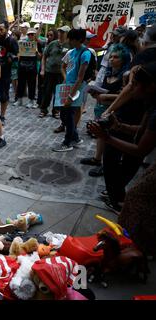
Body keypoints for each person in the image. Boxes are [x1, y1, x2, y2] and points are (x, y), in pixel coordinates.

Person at [87, 62, 156, 218]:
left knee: (136, 199)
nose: (131, 89)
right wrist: (119, 126)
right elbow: (141, 130)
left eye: (135, 84)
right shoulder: (150, 104)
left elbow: (140, 150)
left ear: (150, 87)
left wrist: (106, 137)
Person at [81, 44, 131, 177]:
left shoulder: (125, 76)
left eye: (116, 57)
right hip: (101, 109)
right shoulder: (108, 73)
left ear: (123, 59)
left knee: (110, 140)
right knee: (100, 135)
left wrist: (106, 96)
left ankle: (106, 166)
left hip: (114, 112)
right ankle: (97, 159)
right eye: (111, 57)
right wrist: (95, 94)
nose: (112, 59)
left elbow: (126, 96)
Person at [53, 28, 90, 152]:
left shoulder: (86, 53)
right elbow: (65, 68)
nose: (69, 41)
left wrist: (70, 96)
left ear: (79, 39)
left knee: (69, 115)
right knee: (64, 114)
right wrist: (65, 81)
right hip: (68, 86)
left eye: (72, 39)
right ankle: (76, 138)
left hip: (76, 89)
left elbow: (80, 78)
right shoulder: (72, 51)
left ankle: (67, 142)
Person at [39, 26, 71, 118]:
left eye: (63, 32)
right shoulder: (52, 44)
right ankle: (43, 109)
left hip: (61, 73)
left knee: (59, 92)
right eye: (60, 32)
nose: (60, 34)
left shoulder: (69, 45)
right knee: (47, 91)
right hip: (49, 71)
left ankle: (56, 110)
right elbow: (44, 56)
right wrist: (42, 69)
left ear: (67, 34)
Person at [0, 22, 18, 125]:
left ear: (7, 29)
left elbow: (17, 54)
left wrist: (10, 57)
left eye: (1, 29)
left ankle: (2, 116)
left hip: (5, 71)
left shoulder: (12, 41)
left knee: (4, 94)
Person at [15, 28, 42, 108]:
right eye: (29, 34)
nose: (30, 36)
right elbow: (18, 53)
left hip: (32, 65)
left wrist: (37, 52)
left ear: (35, 35)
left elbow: (40, 57)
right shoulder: (22, 42)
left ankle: (31, 100)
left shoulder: (37, 44)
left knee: (32, 84)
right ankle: (19, 100)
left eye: (32, 34)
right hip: (22, 65)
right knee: (21, 83)